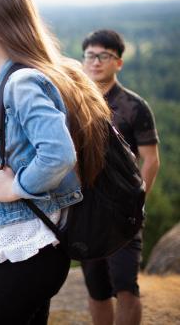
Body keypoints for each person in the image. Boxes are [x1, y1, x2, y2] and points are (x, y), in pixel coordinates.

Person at [0, 0, 112, 324]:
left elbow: (58, 154)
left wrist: (14, 188)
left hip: (30, 251)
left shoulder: (22, 83)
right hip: (29, 251)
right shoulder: (8, 82)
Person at [80, 29, 160, 325]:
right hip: (86, 211)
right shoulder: (77, 103)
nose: (96, 62)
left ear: (119, 63)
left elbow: (151, 160)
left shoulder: (133, 106)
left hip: (124, 213)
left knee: (126, 286)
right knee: (97, 289)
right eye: (91, 55)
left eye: (105, 56)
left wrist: (134, 203)